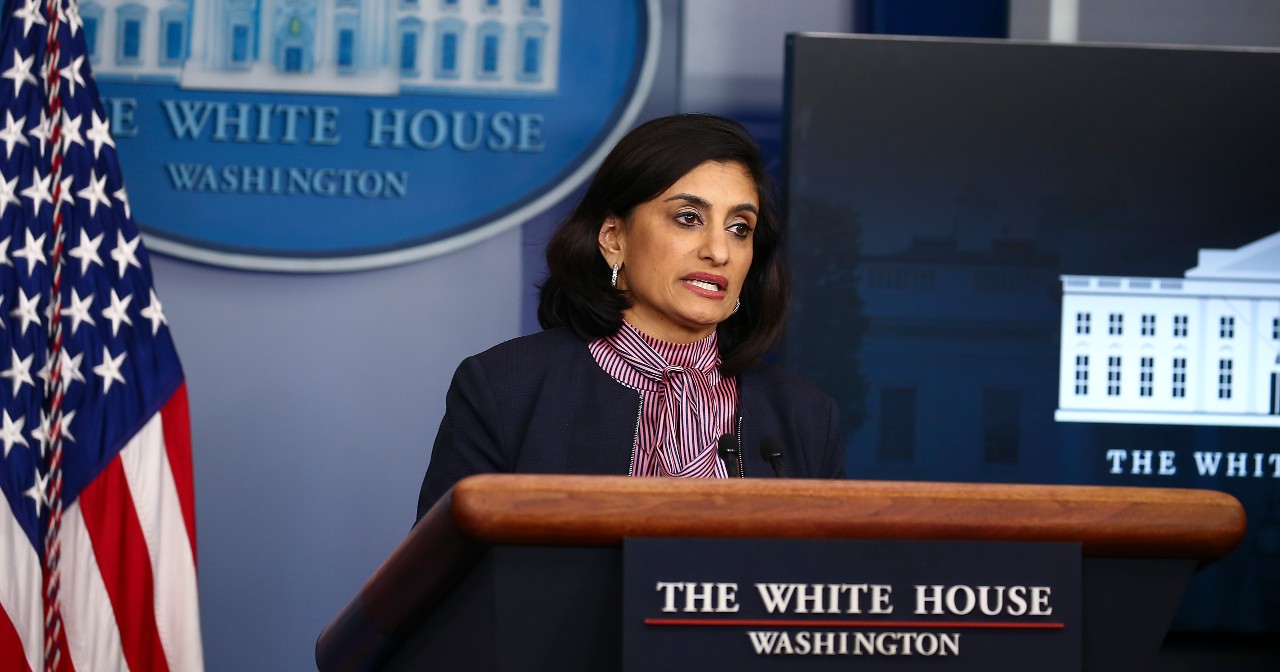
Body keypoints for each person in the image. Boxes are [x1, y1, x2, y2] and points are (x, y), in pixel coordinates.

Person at [416, 114, 844, 520]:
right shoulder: (504, 387)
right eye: (688, 218)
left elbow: (836, 586)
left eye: (740, 228)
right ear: (613, 238)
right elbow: (440, 583)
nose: (719, 251)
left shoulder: (805, 416)